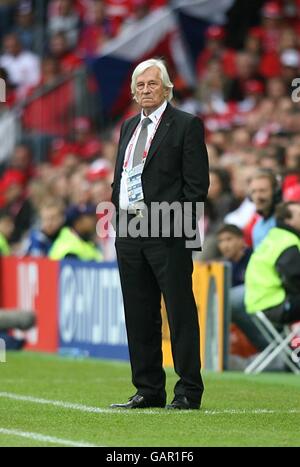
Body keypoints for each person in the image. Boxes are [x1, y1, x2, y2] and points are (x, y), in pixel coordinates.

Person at [110, 58, 209, 410]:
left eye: (152, 84)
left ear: (167, 88)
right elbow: (121, 178)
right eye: (140, 85)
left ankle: (188, 391)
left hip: (169, 230)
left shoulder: (186, 125)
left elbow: (197, 186)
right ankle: (149, 389)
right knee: (139, 312)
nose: (145, 90)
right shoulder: (127, 127)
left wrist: (175, 227)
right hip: (130, 228)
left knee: (180, 310)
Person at [245, 201, 300, 326]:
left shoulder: (275, 237)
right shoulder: (288, 242)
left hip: (260, 305)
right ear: (288, 221)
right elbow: (295, 278)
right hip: (275, 305)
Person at [217, 224, 268, 354]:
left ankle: (267, 348)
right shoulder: (225, 266)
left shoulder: (254, 258)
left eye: (229, 239)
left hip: (263, 307)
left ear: (241, 240)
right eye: (221, 241)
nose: (224, 245)